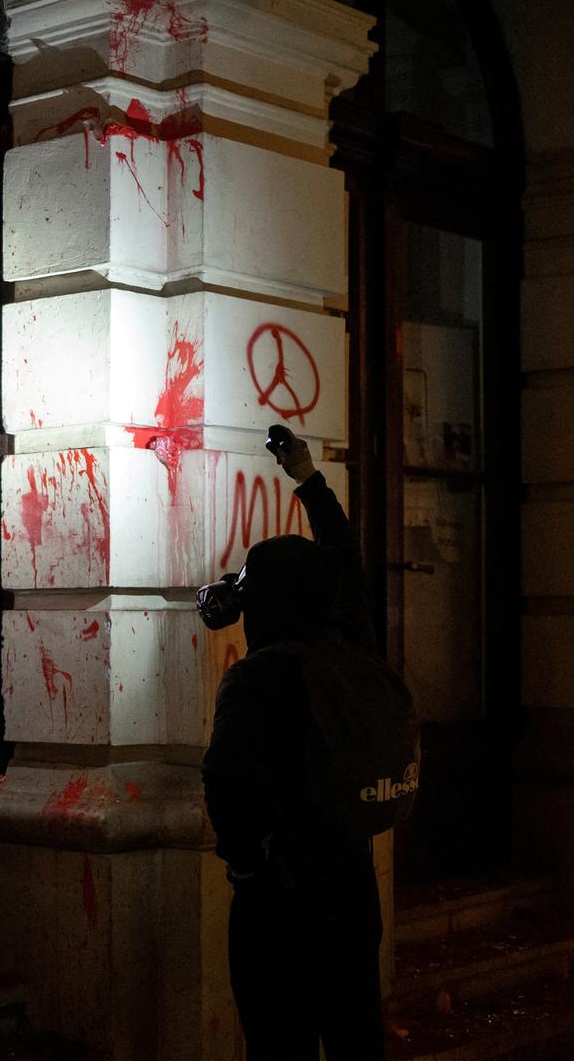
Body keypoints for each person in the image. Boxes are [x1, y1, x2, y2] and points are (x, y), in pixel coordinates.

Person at [200, 432, 389, 1060]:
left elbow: (225, 780)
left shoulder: (259, 678)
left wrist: (245, 866)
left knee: (280, 1043)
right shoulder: (351, 645)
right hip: (354, 884)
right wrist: (308, 479)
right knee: (356, 1035)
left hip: (281, 895)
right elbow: (343, 560)